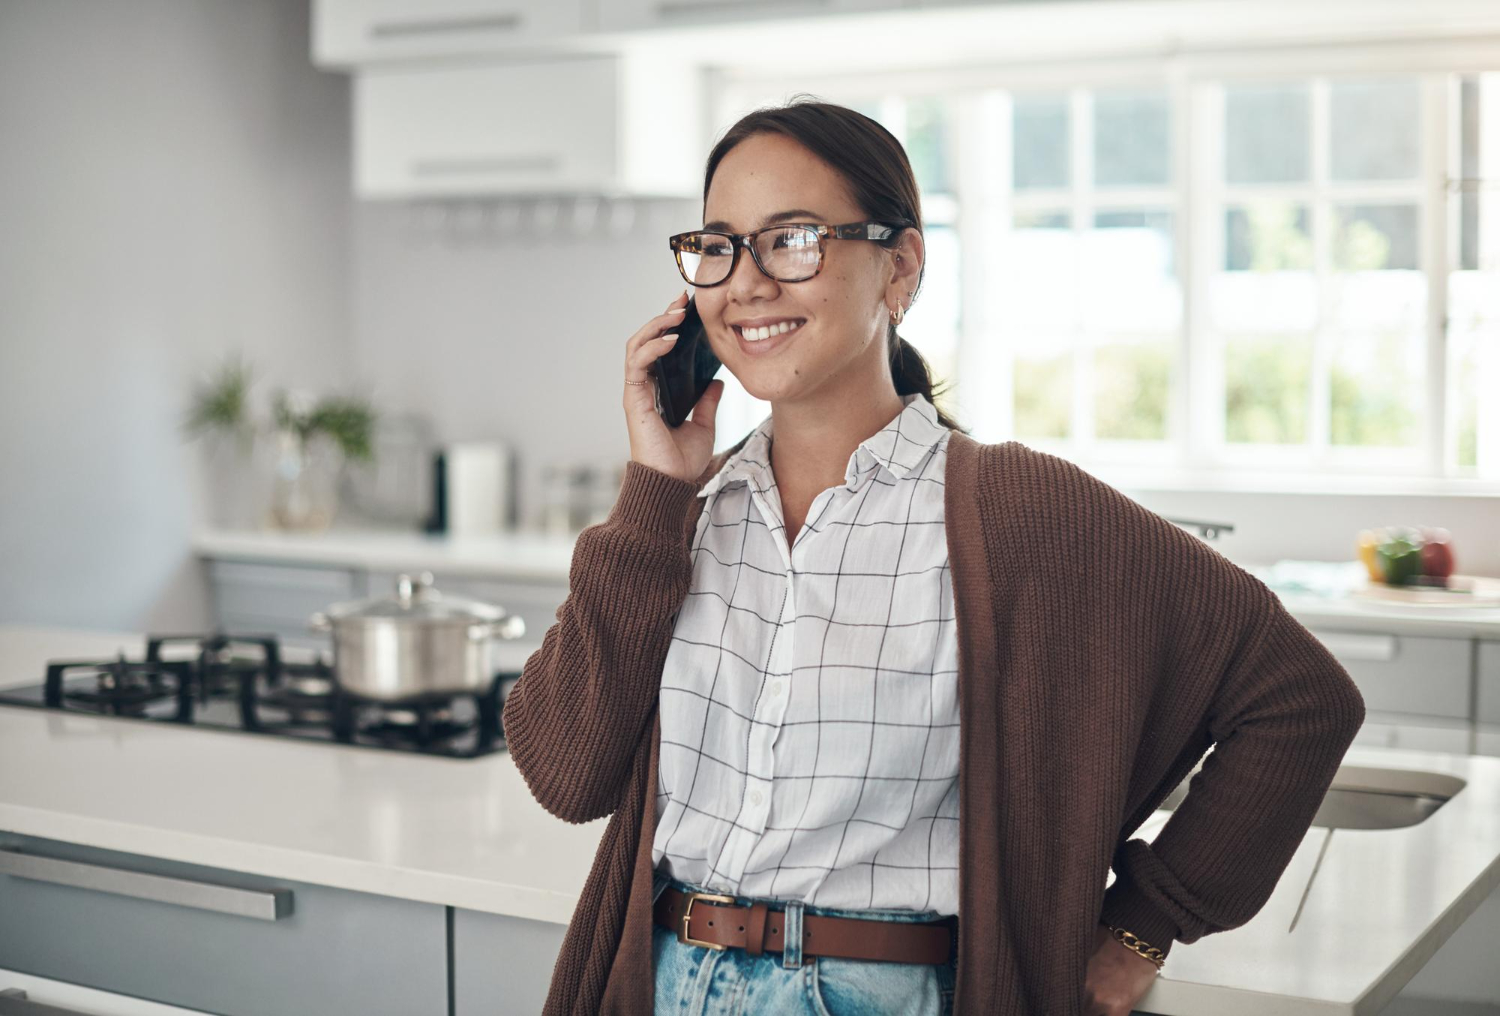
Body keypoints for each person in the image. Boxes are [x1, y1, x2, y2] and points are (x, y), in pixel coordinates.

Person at [502, 96, 1366, 1016]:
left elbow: (1300, 701)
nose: (744, 283)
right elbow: (565, 775)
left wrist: (1143, 926)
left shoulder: (1017, 513)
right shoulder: (680, 512)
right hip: (666, 982)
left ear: (900, 267)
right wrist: (654, 491)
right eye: (718, 245)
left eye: (791, 239)